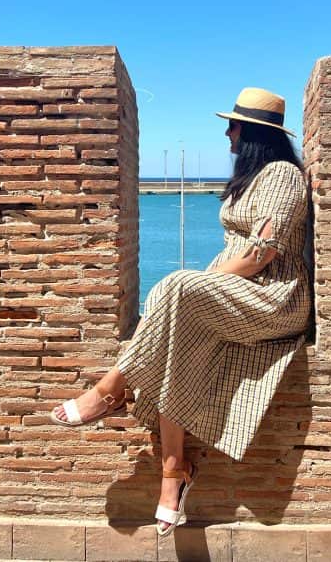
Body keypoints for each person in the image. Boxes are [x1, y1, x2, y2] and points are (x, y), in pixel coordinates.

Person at [51, 87, 311, 536]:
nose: (227, 133)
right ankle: (174, 471)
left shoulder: (284, 176)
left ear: (250, 133)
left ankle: (111, 389)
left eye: (233, 125)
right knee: (173, 329)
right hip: (237, 289)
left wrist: (202, 281)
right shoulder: (254, 177)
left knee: (174, 286)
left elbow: (261, 254)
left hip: (273, 296)